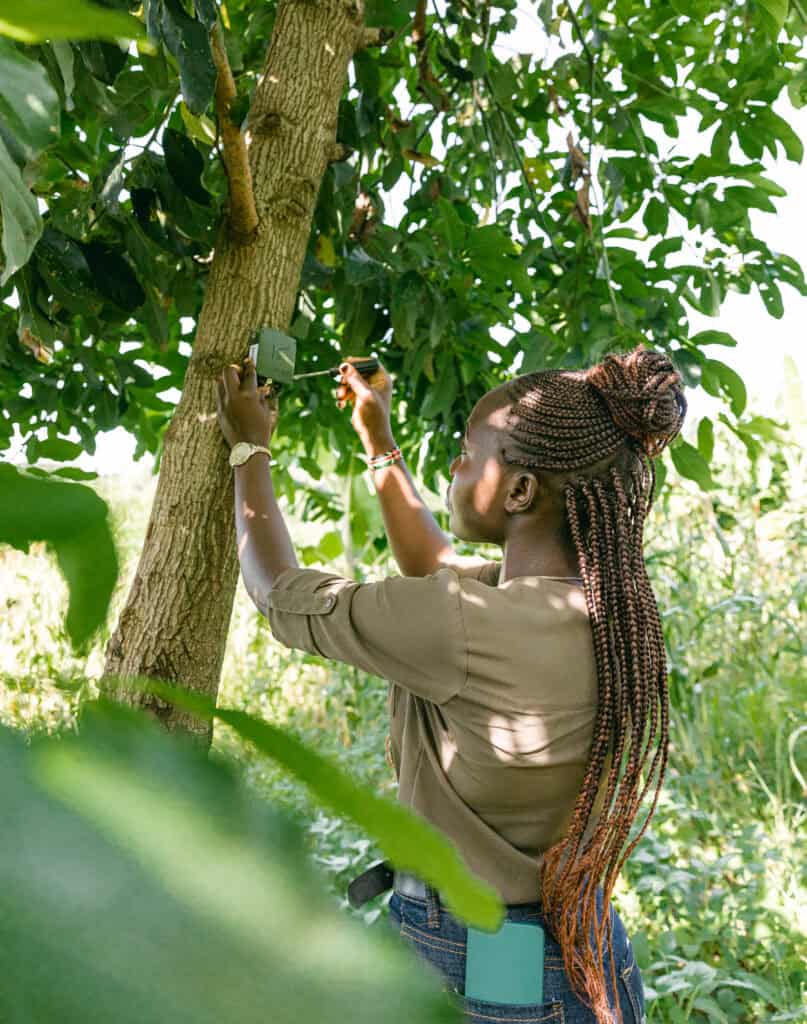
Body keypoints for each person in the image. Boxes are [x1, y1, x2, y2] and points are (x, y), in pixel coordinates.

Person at [216, 345, 686, 1024]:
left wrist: (248, 452)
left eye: (468, 453)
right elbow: (431, 561)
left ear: (520, 491)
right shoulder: (609, 611)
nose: (455, 466)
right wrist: (377, 437)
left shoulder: (465, 625)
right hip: (584, 956)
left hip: (479, 962)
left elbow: (278, 594)